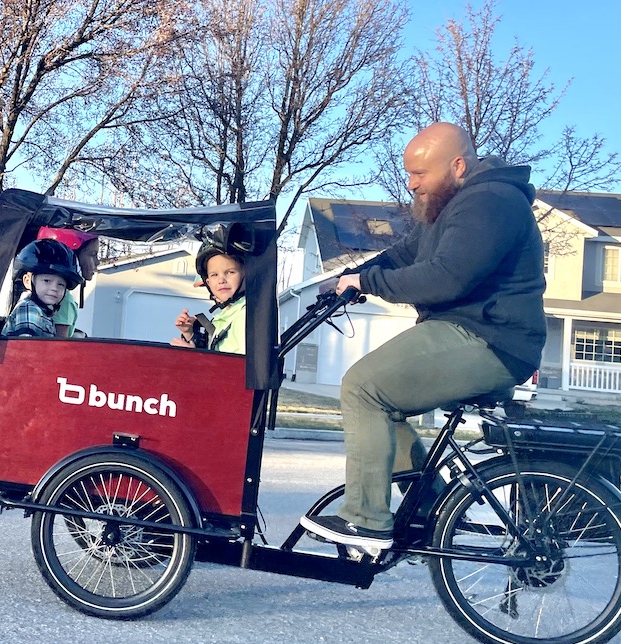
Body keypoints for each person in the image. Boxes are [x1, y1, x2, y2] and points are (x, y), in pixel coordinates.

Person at [299, 122, 547, 554]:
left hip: (492, 339)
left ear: (457, 165)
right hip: (470, 332)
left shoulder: (490, 203)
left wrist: (370, 283)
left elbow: (446, 279)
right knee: (382, 405)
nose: (412, 184)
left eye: (420, 174)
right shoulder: (450, 204)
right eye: (409, 174)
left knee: (363, 387)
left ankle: (366, 520)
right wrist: (347, 279)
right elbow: (402, 255)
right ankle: (427, 514)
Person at [170, 243, 247, 354]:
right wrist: (189, 334)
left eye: (230, 272)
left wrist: (195, 359)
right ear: (208, 283)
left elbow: (241, 368)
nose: (221, 280)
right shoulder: (226, 316)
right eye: (214, 275)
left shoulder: (244, 316)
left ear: (246, 275)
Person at [2, 239, 84, 338]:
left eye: (61, 284)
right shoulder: (29, 308)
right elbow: (25, 347)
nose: (54, 288)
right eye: (47, 281)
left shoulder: (44, 313)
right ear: (28, 281)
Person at [35, 226, 99, 337]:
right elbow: (60, 345)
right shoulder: (62, 299)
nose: (97, 262)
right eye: (92, 254)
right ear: (71, 256)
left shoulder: (37, 292)